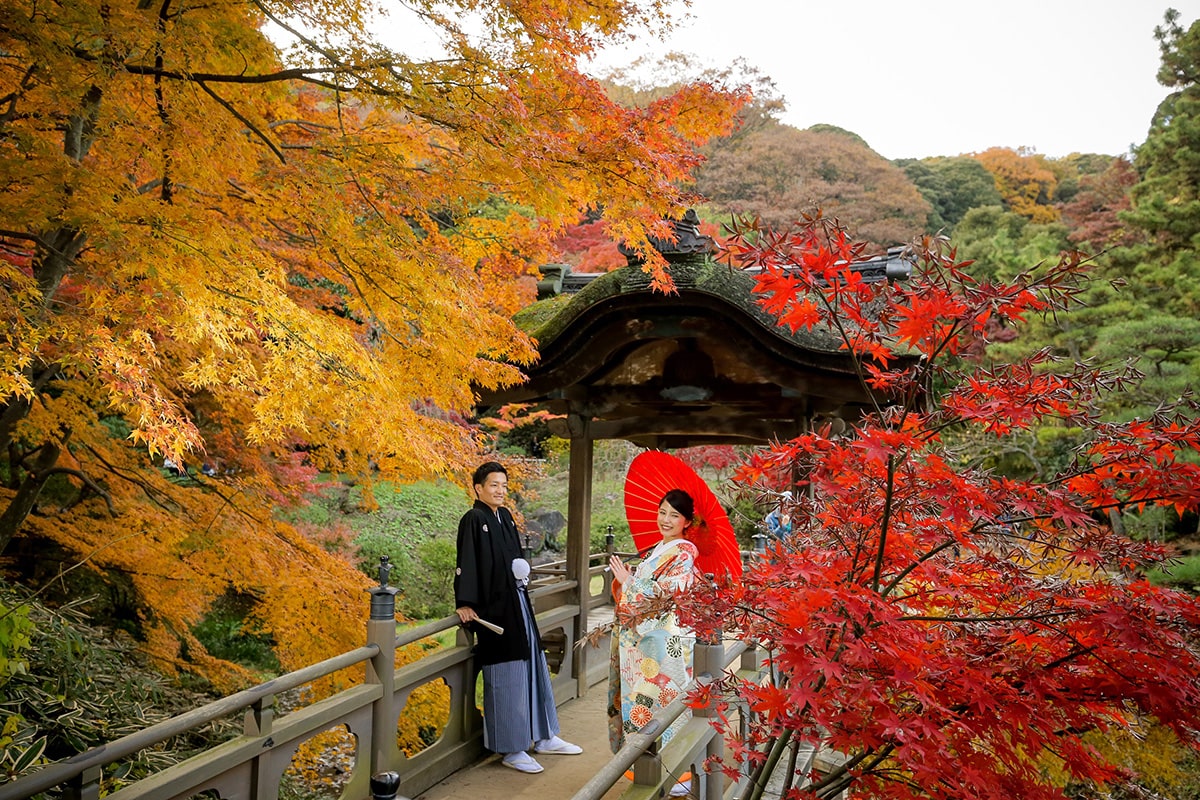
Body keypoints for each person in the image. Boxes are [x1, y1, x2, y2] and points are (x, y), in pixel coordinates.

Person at [454, 461, 582, 774]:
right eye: (493, 485)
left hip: (517, 602)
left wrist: (521, 573)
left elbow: (515, 558)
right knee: (507, 672)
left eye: (503, 485)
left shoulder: (506, 517)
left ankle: (543, 735)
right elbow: (467, 561)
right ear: (478, 488)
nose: (500, 491)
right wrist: (465, 601)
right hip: (493, 610)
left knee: (533, 664)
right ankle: (511, 748)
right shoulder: (473, 519)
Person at [607, 489, 698, 797]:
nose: (666, 520)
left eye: (674, 515)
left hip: (663, 640)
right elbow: (640, 588)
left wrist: (632, 582)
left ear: (687, 521)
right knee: (643, 702)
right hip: (644, 640)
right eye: (662, 512)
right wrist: (626, 581)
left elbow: (675, 589)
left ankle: (676, 771)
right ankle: (646, 766)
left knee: (662, 701)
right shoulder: (659, 548)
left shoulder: (684, 553)